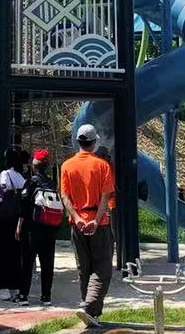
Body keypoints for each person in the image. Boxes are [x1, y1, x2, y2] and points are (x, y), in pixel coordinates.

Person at [60, 124, 114, 328]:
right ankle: (89, 306)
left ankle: (90, 313)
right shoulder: (102, 166)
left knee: (84, 268)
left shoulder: (67, 166)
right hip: (99, 223)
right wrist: (96, 221)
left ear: (78, 142)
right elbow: (105, 197)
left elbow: (65, 196)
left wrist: (76, 218)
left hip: (77, 224)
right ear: (94, 143)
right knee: (102, 268)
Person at [16, 148, 59, 304]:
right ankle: (46, 296)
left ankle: (23, 295)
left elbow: (24, 205)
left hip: (32, 229)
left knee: (27, 262)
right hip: (50, 229)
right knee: (47, 264)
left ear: (34, 165)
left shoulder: (31, 182)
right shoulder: (52, 183)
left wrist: (19, 226)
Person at [0, 149, 27, 300]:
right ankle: (15, 287)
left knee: (0, 253)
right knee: (15, 254)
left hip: (3, 220)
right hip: (16, 220)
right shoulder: (21, 177)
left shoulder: (4, 175)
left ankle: (2, 287)